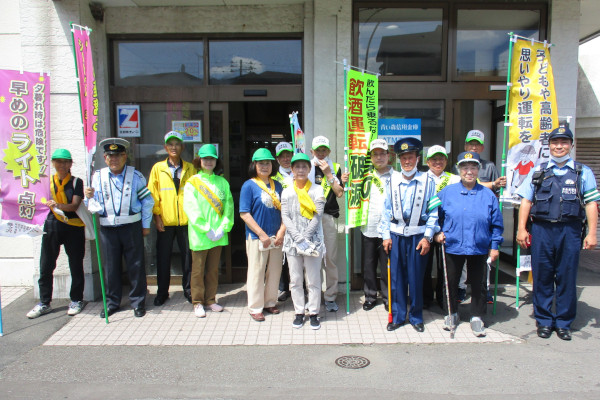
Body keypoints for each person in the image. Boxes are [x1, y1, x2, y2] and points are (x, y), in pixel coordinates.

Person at [516, 126, 599, 341]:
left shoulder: (582, 172)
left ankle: (563, 322)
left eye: (563, 142)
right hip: (542, 230)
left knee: (566, 276)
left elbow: (591, 203)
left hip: (570, 230)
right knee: (542, 276)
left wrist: (592, 233)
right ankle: (544, 321)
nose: (559, 146)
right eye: (555, 142)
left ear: (571, 145)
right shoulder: (539, 171)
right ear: (549, 145)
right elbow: (526, 201)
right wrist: (521, 229)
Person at [431, 151, 504, 337]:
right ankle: (452, 313)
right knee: (451, 282)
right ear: (459, 169)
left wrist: (494, 246)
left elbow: (496, 224)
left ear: (478, 170)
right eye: (465, 167)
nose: (469, 171)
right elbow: (431, 215)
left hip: (479, 246)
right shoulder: (446, 193)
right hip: (453, 244)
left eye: (473, 167)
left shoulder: (488, 195)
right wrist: (437, 232)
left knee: (479, 283)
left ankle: (477, 316)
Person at [85, 138, 154, 318]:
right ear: (105, 157)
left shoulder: (136, 176)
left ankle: (138, 302)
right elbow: (92, 205)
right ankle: (111, 303)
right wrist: (88, 197)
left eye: (118, 155)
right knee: (111, 267)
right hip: (108, 229)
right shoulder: (97, 177)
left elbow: (147, 201)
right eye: (110, 156)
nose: (114, 159)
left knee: (136, 265)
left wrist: (146, 225)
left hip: (131, 226)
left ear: (125, 157)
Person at [379, 137, 438, 332]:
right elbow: (385, 211)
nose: (407, 161)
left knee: (416, 278)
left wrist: (428, 237)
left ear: (417, 158)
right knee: (396, 278)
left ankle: (415, 316)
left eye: (410, 157)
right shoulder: (391, 180)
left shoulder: (428, 180)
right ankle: (397, 316)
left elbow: (434, 213)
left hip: (417, 236)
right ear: (398, 159)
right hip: (396, 236)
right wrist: (386, 236)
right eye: (403, 158)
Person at [27, 149, 87, 319]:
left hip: (73, 226)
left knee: (76, 264)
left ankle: (76, 299)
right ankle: (44, 302)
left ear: (71, 164)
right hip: (52, 225)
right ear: (53, 163)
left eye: (66, 162)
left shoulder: (76, 182)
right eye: (58, 161)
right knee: (46, 265)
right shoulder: (45, 183)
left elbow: (74, 206)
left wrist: (57, 205)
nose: (62, 165)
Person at [453, 130, 506, 303]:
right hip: (462, 221)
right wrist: (492, 184)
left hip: (481, 222)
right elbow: (460, 184)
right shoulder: (459, 164)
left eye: (477, 144)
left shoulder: (489, 165)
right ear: (465, 145)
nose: (473, 146)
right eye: (471, 143)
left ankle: (484, 290)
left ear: (482, 147)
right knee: (461, 265)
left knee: (484, 263)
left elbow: (495, 190)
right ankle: (461, 289)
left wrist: (496, 185)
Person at [183, 144, 234, 318]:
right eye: (205, 159)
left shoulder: (222, 182)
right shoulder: (192, 183)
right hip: (200, 235)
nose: (208, 162)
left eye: (212, 159)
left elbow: (229, 207)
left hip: (218, 234)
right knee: (197, 270)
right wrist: (206, 229)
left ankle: (211, 299)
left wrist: (223, 227)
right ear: (199, 161)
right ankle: (197, 302)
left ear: (216, 161)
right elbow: (191, 209)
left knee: (213, 269)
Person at [148, 131, 196, 306]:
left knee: (187, 257)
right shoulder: (158, 168)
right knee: (163, 257)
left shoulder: (190, 168)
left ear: (182, 147)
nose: (174, 147)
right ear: (165, 147)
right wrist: (157, 216)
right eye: (170, 144)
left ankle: (188, 290)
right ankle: (162, 292)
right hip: (165, 221)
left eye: (177, 144)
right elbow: (152, 195)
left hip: (186, 221)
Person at [240, 148, 286, 322]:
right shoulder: (249, 185)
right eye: (261, 163)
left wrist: (282, 231)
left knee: (275, 271)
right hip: (256, 237)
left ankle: (270, 302)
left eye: (267, 162)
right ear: (254, 165)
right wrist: (261, 234)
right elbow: (244, 213)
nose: (265, 166)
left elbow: (285, 211)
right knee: (257, 271)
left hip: (277, 236)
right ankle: (255, 307)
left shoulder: (278, 185)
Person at [281, 152, 326, 329]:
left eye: (304, 167)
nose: (300, 170)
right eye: (297, 167)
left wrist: (305, 237)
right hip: (292, 242)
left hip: (313, 241)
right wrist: (298, 238)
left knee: (314, 279)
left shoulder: (317, 189)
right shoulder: (287, 191)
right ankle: (299, 311)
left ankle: (314, 312)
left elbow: (318, 215)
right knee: (295, 279)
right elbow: (285, 215)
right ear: (291, 170)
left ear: (309, 169)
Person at [308, 136, 346, 312]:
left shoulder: (336, 167)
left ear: (329, 151)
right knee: (311, 259)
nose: (321, 154)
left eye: (324, 150)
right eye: (318, 151)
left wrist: (329, 174)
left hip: (328, 218)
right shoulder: (305, 166)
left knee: (329, 259)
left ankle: (330, 296)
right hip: (309, 218)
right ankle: (312, 297)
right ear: (312, 152)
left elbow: (339, 193)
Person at [422, 145, 460, 309]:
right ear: (428, 161)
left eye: (441, 159)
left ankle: (444, 300)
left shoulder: (455, 179)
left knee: (446, 266)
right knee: (425, 264)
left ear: (446, 160)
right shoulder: (421, 178)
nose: (438, 162)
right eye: (434, 159)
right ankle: (425, 299)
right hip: (426, 227)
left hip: (448, 227)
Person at [361, 139, 393, 311]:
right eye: (375, 154)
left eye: (382, 153)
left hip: (389, 230)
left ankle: (388, 297)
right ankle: (371, 296)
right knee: (369, 264)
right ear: (371, 157)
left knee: (387, 264)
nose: (379, 157)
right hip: (369, 227)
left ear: (388, 156)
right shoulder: (365, 176)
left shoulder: (397, 176)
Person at [273, 141, 294, 302]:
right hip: (280, 222)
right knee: (281, 256)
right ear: (277, 159)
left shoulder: (301, 173)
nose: (286, 159)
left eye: (289, 155)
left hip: (299, 222)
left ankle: (299, 287)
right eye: (282, 156)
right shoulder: (273, 178)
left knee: (297, 255)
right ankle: (283, 288)